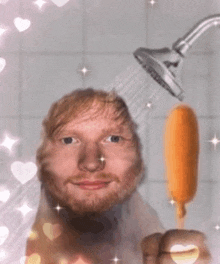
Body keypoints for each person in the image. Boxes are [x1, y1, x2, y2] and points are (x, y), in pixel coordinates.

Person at [25, 88, 211, 264]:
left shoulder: (153, 240)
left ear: (137, 157)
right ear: (42, 158)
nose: (91, 163)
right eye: (69, 140)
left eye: (113, 139)